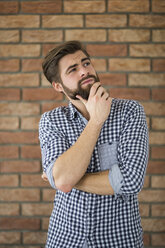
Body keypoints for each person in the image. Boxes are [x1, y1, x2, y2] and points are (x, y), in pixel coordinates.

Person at [39, 40, 149, 248]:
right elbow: (63, 178)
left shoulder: (130, 112)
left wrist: (67, 179)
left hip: (120, 241)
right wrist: (96, 122)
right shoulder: (51, 121)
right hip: (65, 240)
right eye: (73, 69)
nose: (84, 71)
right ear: (58, 86)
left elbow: (131, 181)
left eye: (86, 63)